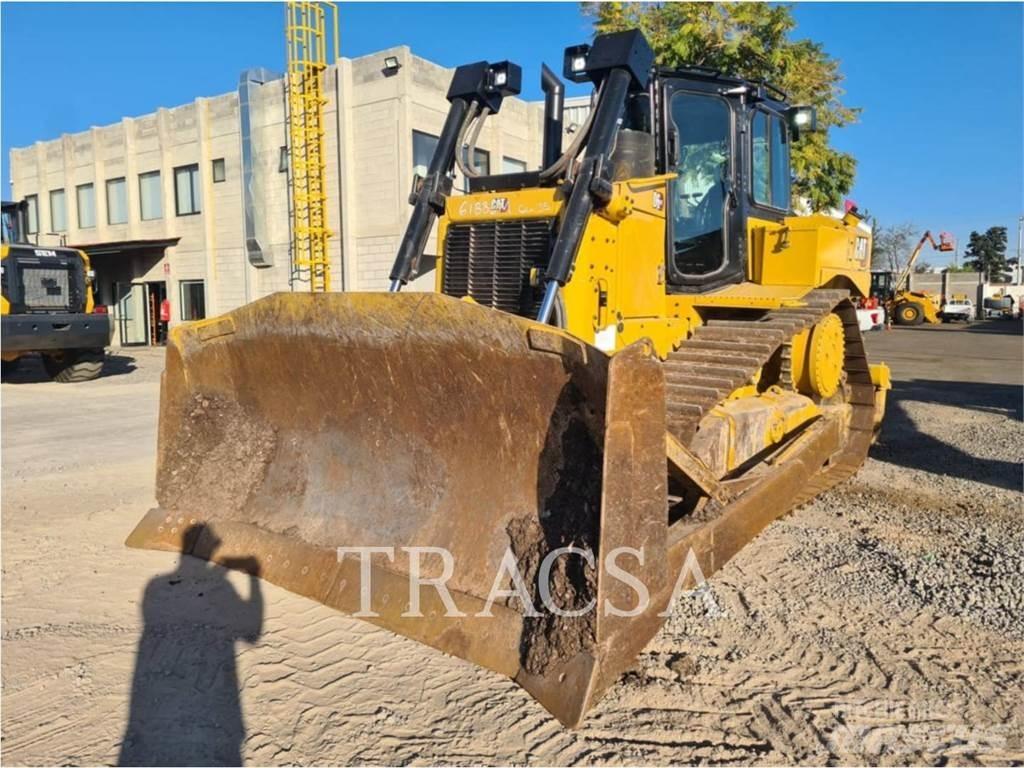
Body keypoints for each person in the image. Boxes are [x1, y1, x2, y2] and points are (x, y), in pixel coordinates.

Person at [119, 528, 263, 766]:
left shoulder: (154, 585)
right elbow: (252, 633)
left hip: (151, 699)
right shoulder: (222, 588)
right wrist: (254, 577)